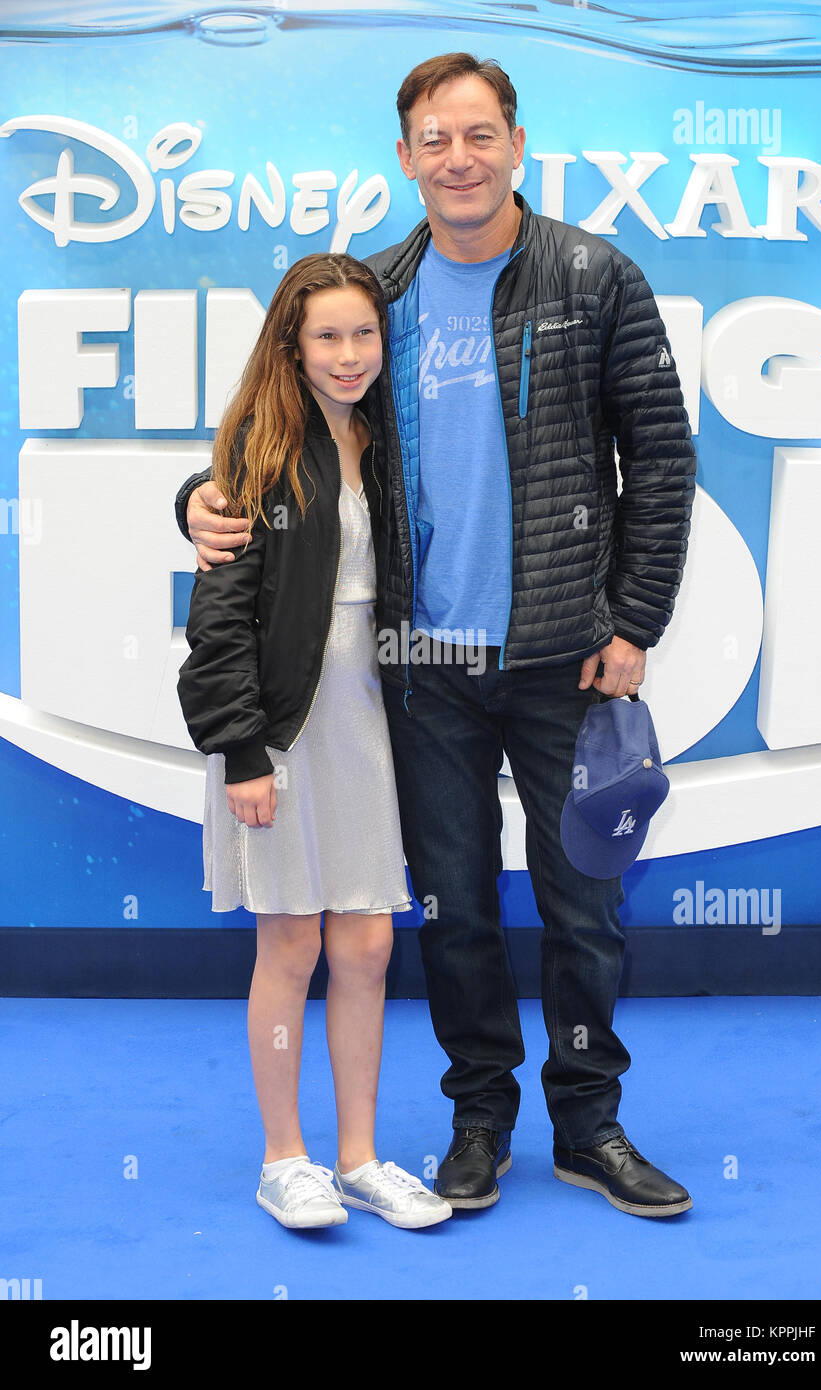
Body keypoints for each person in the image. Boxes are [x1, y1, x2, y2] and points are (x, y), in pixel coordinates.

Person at [175, 53, 698, 1219]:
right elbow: (289, 442)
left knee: (582, 906)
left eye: (478, 135)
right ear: (405, 156)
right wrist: (198, 501)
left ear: (516, 143)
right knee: (452, 910)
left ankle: (588, 1124)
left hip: (567, 654)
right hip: (419, 673)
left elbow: (659, 459)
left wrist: (634, 620)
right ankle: (479, 1123)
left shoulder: (594, 276)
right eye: (433, 139)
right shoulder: (384, 288)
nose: (457, 158)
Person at [176, 252, 452, 1232]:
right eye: (327, 336)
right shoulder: (260, 448)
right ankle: (283, 1158)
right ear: (291, 347)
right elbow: (218, 623)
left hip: (364, 732)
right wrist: (240, 750)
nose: (348, 354)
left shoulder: (377, 442)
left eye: (364, 334)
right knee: (290, 941)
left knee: (368, 943)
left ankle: (360, 1157)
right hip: (278, 735)